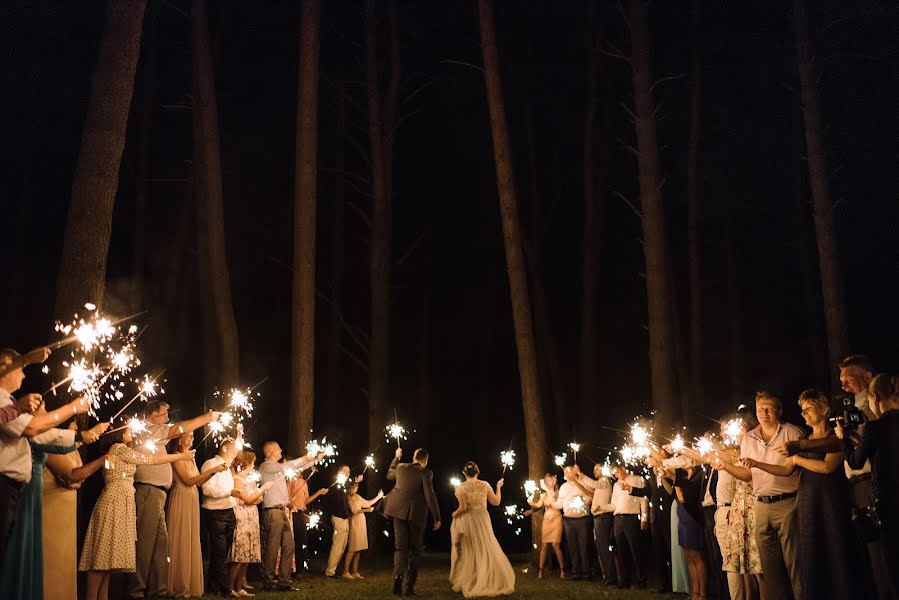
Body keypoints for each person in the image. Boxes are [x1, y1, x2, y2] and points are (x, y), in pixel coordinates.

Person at [745, 389, 871, 600]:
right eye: (802, 410)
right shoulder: (805, 437)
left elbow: (828, 467)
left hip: (829, 498)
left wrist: (797, 459)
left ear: (824, 409)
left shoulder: (835, 435)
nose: (803, 414)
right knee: (812, 553)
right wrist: (757, 464)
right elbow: (786, 470)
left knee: (834, 547)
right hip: (808, 500)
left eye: (808, 408)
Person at [0, 406, 107, 600]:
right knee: (43, 559)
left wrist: (86, 436)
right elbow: (71, 474)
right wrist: (101, 460)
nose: (48, 413)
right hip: (47, 504)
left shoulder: (58, 441)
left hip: (61, 509)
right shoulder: (37, 435)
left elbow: (66, 445)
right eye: (44, 410)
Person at [79, 427, 195, 600]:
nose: (131, 433)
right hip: (114, 501)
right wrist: (180, 456)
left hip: (121, 501)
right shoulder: (119, 448)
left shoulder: (124, 450)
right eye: (127, 431)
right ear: (118, 434)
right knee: (102, 556)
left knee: (108, 559)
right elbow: (150, 459)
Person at [0, 347, 88, 566]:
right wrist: (72, 408)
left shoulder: (9, 400)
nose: (23, 374)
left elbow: (42, 434)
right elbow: (32, 430)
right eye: (20, 369)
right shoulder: (3, 400)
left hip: (12, 489)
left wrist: (81, 435)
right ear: (6, 369)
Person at [129, 400, 221, 600]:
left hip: (159, 494)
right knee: (145, 545)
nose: (167, 419)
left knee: (160, 546)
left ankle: (158, 591)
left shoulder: (157, 436)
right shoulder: (148, 430)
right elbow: (179, 428)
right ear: (153, 415)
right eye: (164, 415)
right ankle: (136, 591)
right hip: (148, 492)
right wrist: (207, 417)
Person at [721, 391, 803, 600]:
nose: (763, 413)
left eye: (769, 409)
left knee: (794, 563)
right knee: (768, 565)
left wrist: (757, 464)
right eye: (759, 409)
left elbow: (789, 469)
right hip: (761, 505)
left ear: (779, 411)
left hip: (787, 503)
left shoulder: (792, 433)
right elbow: (748, 475)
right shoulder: (749, 438)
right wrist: (726, 466)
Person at [840, 374, 899, 599]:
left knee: (892, 562)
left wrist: (843, 439)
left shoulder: (876, 428)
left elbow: (855, 461)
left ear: (874, 396)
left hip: (888, 500)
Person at [43, 424, 109, 600]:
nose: (77, 428)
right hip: (52, 508)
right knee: (52, 560)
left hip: (66, 510)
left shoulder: (67, 447)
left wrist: (91, 434)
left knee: (64, 560)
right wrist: (102, 461)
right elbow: (71, 475)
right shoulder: (49, 444)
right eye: (73, 425)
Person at [166, 430, 226, 598]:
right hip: (181, 498)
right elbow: (188, 480)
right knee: (181, 537)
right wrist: (212, 470)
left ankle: (189, 583)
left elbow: (198, 482)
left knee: (191, 537)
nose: (193, 438)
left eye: (193, 435)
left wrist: (214, 473)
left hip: (192, 498)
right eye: (189, 435)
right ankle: (178, 584)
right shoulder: (176, 456)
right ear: (179, 439)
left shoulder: (191, 458)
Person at [259, 441, 321, 590]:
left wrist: (314, 460)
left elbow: (295, 468)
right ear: (270, 452)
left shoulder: (278, 469)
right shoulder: (267, 466)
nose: (281, 450)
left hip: (282, 511)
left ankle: (284, 581)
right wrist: (306, 457)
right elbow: (286, 466)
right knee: (273, 548)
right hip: (272, 511)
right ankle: (268, 582)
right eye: (278, 448)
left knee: (289, 546)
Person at [449, 461, 515, 597]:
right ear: (477, 472)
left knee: (470, 549)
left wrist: (454, 514)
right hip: (483, 519)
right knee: (486, 546)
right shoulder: (485, 485)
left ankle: (473, 580)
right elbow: (496, 502)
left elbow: (463, 508)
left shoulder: (461, 488)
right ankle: (487, 578)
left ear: (464, 473)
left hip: (468, 520)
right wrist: (498, 487)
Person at [384, 447, 441, 597]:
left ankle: (397, 581)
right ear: (425, 460)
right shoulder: (426, 472)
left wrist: (396, 458)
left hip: (397, 511)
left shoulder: (401, 467)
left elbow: (389, 475)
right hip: (416, 515)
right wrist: (437, 517)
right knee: (415, 550)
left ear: (414, 457)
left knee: (400, 548)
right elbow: (430, 495)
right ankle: (409, 588)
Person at [660, 459, 707, 600]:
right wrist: (666, 476)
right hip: (682, 519)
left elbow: (683, 498)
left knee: (697, 556)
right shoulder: (684, 477)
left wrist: (675, 480)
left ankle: (703, 594)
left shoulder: (699, 476)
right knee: (688, 556)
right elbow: (675, 493)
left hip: (692, 518)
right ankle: (695, 592)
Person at [229, 450, 272, 597]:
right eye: (252, 462)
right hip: (242, 518)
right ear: (246, 463)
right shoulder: (237, 480)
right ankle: (230, 588)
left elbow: (257, 499)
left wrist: (254, 496)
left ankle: (239, 586)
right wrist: (262, 489)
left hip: (252, 516)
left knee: (246, 555)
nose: (253, 465)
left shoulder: (249, 480)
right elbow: (247, 499)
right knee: (239, 555)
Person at [200, 439, 238, 597]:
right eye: (234, 450)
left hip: (229, 511)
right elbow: (207, 490)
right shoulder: (210, 464)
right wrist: (228, 493)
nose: (236, 453)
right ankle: (225, 589)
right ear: (224, 448)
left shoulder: (228, 469)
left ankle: (213, 585)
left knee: (223, 552)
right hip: (215, 512)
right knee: (219, 551)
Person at [554, 464, 596, 581]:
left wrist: (581, 499)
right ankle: (576, 572)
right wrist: (550, 504)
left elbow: (591, 497)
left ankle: (586, 572)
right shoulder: (563, 487)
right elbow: (560, 503)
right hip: (568, 520)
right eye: (565, 472)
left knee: (584, 546)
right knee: (572, 547)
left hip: (582, 519)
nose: (566, 474)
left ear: (574, 472)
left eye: (569, 471)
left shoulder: (583, 483)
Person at [610, 463, 647, 589]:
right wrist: (600, 508)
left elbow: (643, 500)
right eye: (613, 472)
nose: (615, 475)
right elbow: (613, 504)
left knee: (636, 549)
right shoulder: (615, 485)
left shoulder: (637, 480)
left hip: (631, 518)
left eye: (616, 471)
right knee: (621, 551)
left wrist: (644, 519)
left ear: (623, 469)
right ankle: (625, 579)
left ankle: (641, 579)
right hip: (618, 519)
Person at [287, 467, 328, 578]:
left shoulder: (303, 482)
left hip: (300, 513)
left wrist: (319, 493)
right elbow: (287, 498)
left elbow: (306, 500)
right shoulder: (289, 480)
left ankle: (300, 570)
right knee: (292, 542)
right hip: (291, 513)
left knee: (301, 541)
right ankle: (290, 569)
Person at [526, 473, 566, 579]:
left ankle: (562, 570)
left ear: (554, 481)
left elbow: (556, 501)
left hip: (556, 519)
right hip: (547, 520)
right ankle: (540, 570)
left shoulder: (558, 493)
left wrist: (548, 493)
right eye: (546, 481)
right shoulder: (544, 495)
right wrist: (532, 503)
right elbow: (539, 505)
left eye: (549, 480)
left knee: (555, 545)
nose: (547, 483)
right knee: (544, 545)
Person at [342, 481, 384, 579]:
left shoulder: (357, 496)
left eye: (356, 487)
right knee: (353, 548)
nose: (354, 489)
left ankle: (355, 572)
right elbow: (354, 511)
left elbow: (367, 503)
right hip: (354, 522)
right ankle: (346, 572)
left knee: (359, 548)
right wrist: (367, 510)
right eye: (353, 487)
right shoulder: (348, 497)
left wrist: (379, 496)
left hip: (361, 521)